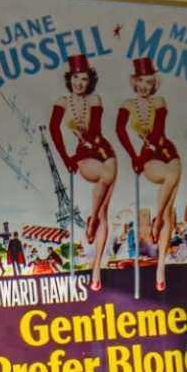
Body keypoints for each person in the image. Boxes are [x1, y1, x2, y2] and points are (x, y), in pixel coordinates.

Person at [116, 52, 184, 290]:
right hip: (148, 158)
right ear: (134, 81)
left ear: (154, 83)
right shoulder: (126, 105)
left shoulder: (159, 101)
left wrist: (143, 153)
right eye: (140, 81)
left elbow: (157, 132)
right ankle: (157, 221)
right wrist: (135, 156)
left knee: (170, 203)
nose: (144, 86)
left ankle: (161, 269)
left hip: (167, 151)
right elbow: (120, 131)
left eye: (149, 82)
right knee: (169, 177)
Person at [48, 57, 117, 282]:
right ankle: (92, 219)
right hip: (83, 155)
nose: (80, 82)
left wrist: (88, 139)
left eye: (84, 78)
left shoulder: (95, 99)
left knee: (105, 209)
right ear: (70, 78)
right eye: (76, 77)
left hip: (103, 149)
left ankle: (96, 268)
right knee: (106, 175)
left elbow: (95, 130)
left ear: (90, 81)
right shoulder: (62, 101)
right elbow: (54, 130)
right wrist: (68, 158)